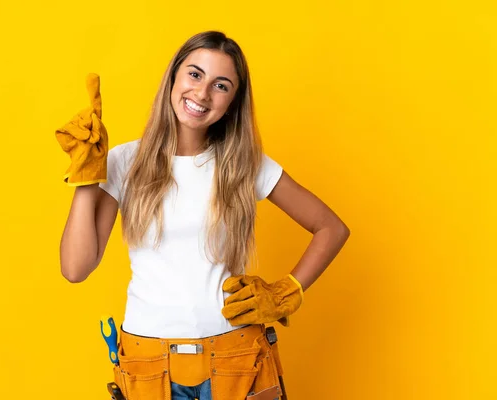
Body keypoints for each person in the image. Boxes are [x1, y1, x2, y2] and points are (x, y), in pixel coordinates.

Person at [57, 30, 350, 400]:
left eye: (221, 85)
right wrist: (87, 176)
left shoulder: (245, 164)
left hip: (237, 358)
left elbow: (331, 228)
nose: (202, 93)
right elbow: (76, 268)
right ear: (174, 76)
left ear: (232, 102)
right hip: (148, 366)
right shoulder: (124, 162)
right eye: (195, 74)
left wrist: (287, 290)